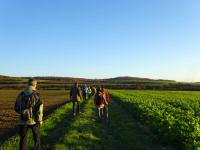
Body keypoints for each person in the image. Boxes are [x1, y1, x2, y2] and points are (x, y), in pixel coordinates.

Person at [14, 78, 43, 150]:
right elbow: (40, 109)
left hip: (22, 121)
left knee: (23, 139)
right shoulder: (37, 94)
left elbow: (16, 108)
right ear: (35, 85)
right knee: (36, 138)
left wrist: (23, 112)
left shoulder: (20, 94)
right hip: (34, 121)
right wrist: (40, 120)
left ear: (28, 84)